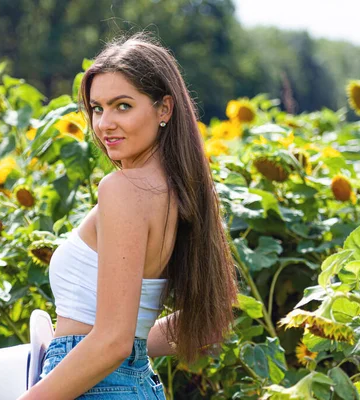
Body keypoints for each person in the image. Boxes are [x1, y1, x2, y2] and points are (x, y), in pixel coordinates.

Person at [18, 32, 239, 400]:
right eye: (97, 108)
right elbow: (193, 327)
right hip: (130, 384)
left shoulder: (122, 189)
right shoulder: (177, 194)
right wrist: (125, 349)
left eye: (123, 106)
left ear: (164, 109)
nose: (105, 124)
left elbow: (112, 342)